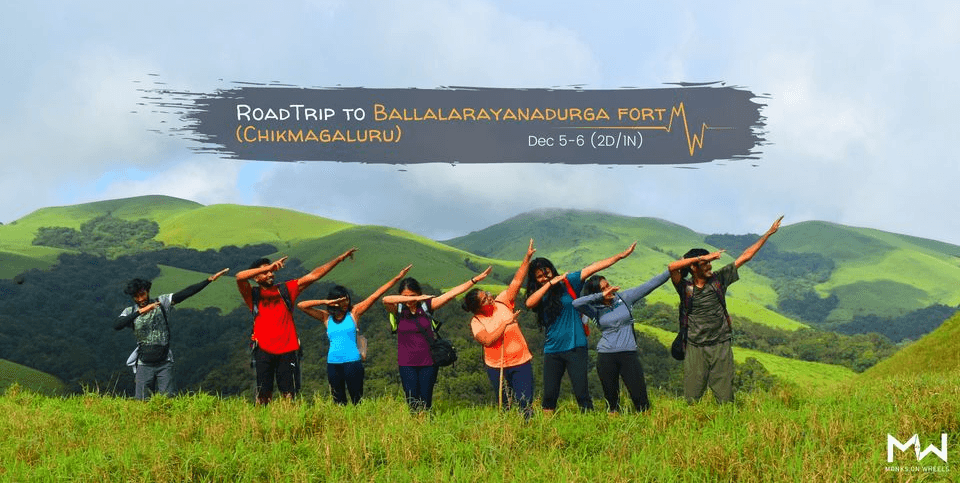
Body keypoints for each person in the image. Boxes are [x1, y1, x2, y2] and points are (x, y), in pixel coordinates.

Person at [573, 254, 715, 414]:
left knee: (640, 398)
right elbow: (576, 303)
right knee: (611, 401)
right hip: (606, 355)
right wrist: (600, 297)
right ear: (596, 292)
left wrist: (672, 269)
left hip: (628, 353)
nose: (608, 289)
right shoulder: (594, 309)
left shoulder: (624, 298)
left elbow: (651, 284)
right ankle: (614, 431)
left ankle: (647, 425)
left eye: (608, 285)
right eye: (603, 288)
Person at [669, 216, 783, 404]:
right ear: (693, 266)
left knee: (725, 396)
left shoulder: (718, 279)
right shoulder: (684, 287)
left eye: (709, 262)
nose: (710, 266)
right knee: (692, 397)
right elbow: (672, 267)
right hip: (695, 346)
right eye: (705, 263)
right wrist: (703, 256)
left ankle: (727, 423)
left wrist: (768, 233)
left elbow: (746, 256)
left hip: (720, 343)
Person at [524, 242, 637, 413]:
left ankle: (589, 423)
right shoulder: (539, 294)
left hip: (576, 346)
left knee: (581, 392)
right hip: (552, 349)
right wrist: (549, 284)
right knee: (549, 395)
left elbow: (593, 268)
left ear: (552, 269)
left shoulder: (569, 283)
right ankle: (544, 431)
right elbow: (529, 303)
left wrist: (620, 256)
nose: (545, 277)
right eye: (540, 276)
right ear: (535, 279)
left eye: (547, 272)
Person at [235, 248, 357, 404]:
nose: (271, 274)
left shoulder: (285, 290)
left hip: (288, 349)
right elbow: (239, 277)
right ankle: (263, 426)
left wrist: (339, 258)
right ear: (256, 277)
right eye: (265, 272)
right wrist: (269, 267)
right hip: (263, 349)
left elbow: (314, 275)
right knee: (263, 395)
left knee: (289, 395)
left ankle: (290, 425)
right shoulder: (253, 294)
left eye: (272, 271)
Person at [297, 265, 412, 405]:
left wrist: (398, 277)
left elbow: (376, 295)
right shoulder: (326, 317)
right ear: (334, 301)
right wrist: (325, 302)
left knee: (357, 399)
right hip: (333, 363)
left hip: (353, 362)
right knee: (338, 400)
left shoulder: (354, 313)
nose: (345, 303)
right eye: (341, 300)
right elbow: (301, 305)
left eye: (346, 299)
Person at [383, 266, 492, 413]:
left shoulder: (427, 306)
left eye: (413, 295)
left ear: (420, 293)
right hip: (406, 363)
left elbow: (452, 294)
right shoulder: (399, 310)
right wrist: (413, 298)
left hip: (428, 362)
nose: (409, 300)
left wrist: (474, 280)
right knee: (411, 401)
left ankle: (426, 426)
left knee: (426, 401)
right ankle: (415, 429)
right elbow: (385, 299)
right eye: (405, 296)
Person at [115, 268, 230, 400]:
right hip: (143, 363)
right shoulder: (130, 311)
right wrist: (140, 312)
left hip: (164, 362)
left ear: (148, 291)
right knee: (141, 400)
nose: (141, 299)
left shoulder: (161, 303)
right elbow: (117, 325)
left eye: (143, 294)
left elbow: (185, 294)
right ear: (133, 298)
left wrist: (209, 280)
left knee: (168, 399)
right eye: (137, 296)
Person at [461, 239, 536, 418]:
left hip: (521, 362)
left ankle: (529, 428)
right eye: (485, 299)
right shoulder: (476, 321)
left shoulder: (503, 301)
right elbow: (487, 340)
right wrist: (505, 324)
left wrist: (527, 259)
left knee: (525, 400)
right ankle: (508, 434)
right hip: (497, 366)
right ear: (478, 308)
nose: (489, 297)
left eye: (487, 294)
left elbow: (517, 282)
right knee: (505, 403)